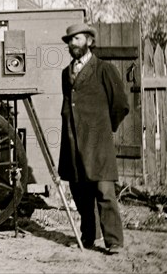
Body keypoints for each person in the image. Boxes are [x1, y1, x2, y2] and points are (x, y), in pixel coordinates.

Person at [58, 23, 130, 255]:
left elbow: (120, 104)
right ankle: (89, 235)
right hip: (73, 141)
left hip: (98, 142)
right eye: (70, 41)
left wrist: (106, 128)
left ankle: (114, 242)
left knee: (104, 192)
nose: (72, 44)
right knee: (80, 192)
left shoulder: (104, 69)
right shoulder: (65, 73)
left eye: (77, 39)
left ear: (89, 41)